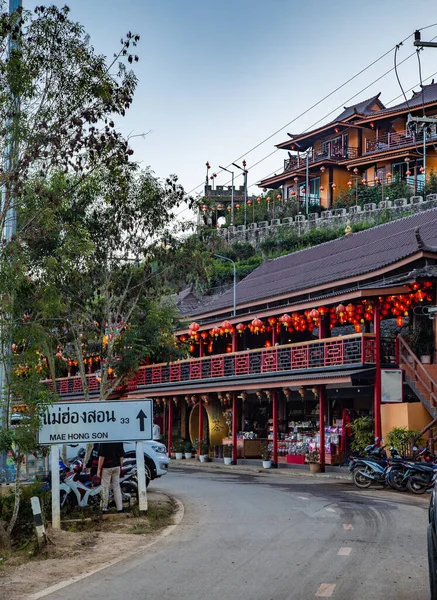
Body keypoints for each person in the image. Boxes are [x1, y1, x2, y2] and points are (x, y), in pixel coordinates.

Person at [97, 442, 125, 513]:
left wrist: (99, 470)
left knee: (105, 488)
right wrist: (120, 467)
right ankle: (120, 509)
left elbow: (101, 457)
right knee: (117, 487)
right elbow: (121, 456)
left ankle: (103, 508)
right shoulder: (119, 441)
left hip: (107, 467)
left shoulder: (104, 441)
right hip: (117, 466)